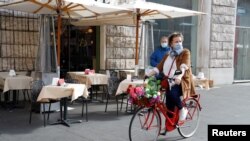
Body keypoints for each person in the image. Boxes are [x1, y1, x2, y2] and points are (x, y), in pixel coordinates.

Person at [146, 32, 196, 123]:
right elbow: (159, 67)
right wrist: (148, 74)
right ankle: (169, 125)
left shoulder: (185, 52)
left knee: (172, 94)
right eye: (176, 41)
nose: (179, 43)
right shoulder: (167, 55)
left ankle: (182, 109)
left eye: (180, 41)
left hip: (181, 81)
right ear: (171, 44)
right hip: (168, 81)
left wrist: (179, 76)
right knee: (168, 106)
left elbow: (184, 66)